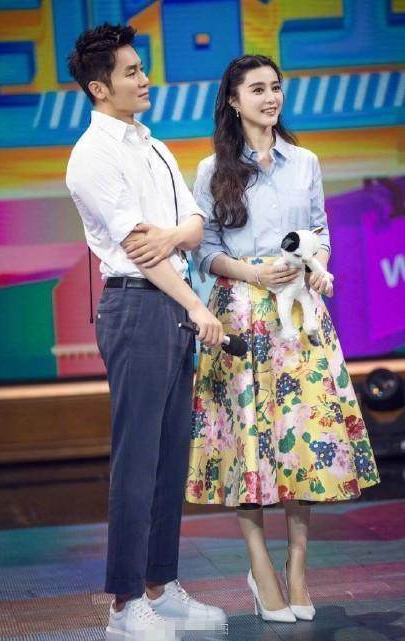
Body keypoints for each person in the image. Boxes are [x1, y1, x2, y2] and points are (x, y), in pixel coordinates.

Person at [186, 54, 381, 624]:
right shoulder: (212, 170)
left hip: (299, 318)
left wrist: (318, 266)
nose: (271, 97)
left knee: (301, 440)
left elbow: (319, 231)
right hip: (242, 317)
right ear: (233, 100)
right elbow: (204, 251)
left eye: (275, 87)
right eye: (257, 89)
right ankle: (259, 567)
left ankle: (297, 568)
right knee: (249, 442)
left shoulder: (305, 162)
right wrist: (252, 272)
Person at [65, 22, 227, 640]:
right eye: (132, 72)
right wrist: (198, 306)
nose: (145, 79)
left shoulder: (153, 146)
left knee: (170, 456)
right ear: (100, 87)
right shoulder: (93, 155)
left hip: (173, 304)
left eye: (142, 68)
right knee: (136, 461)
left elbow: (194, 224)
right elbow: (140, 249)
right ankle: (124, 604)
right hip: (137, 307)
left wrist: (177, 237)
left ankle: (162, 585)